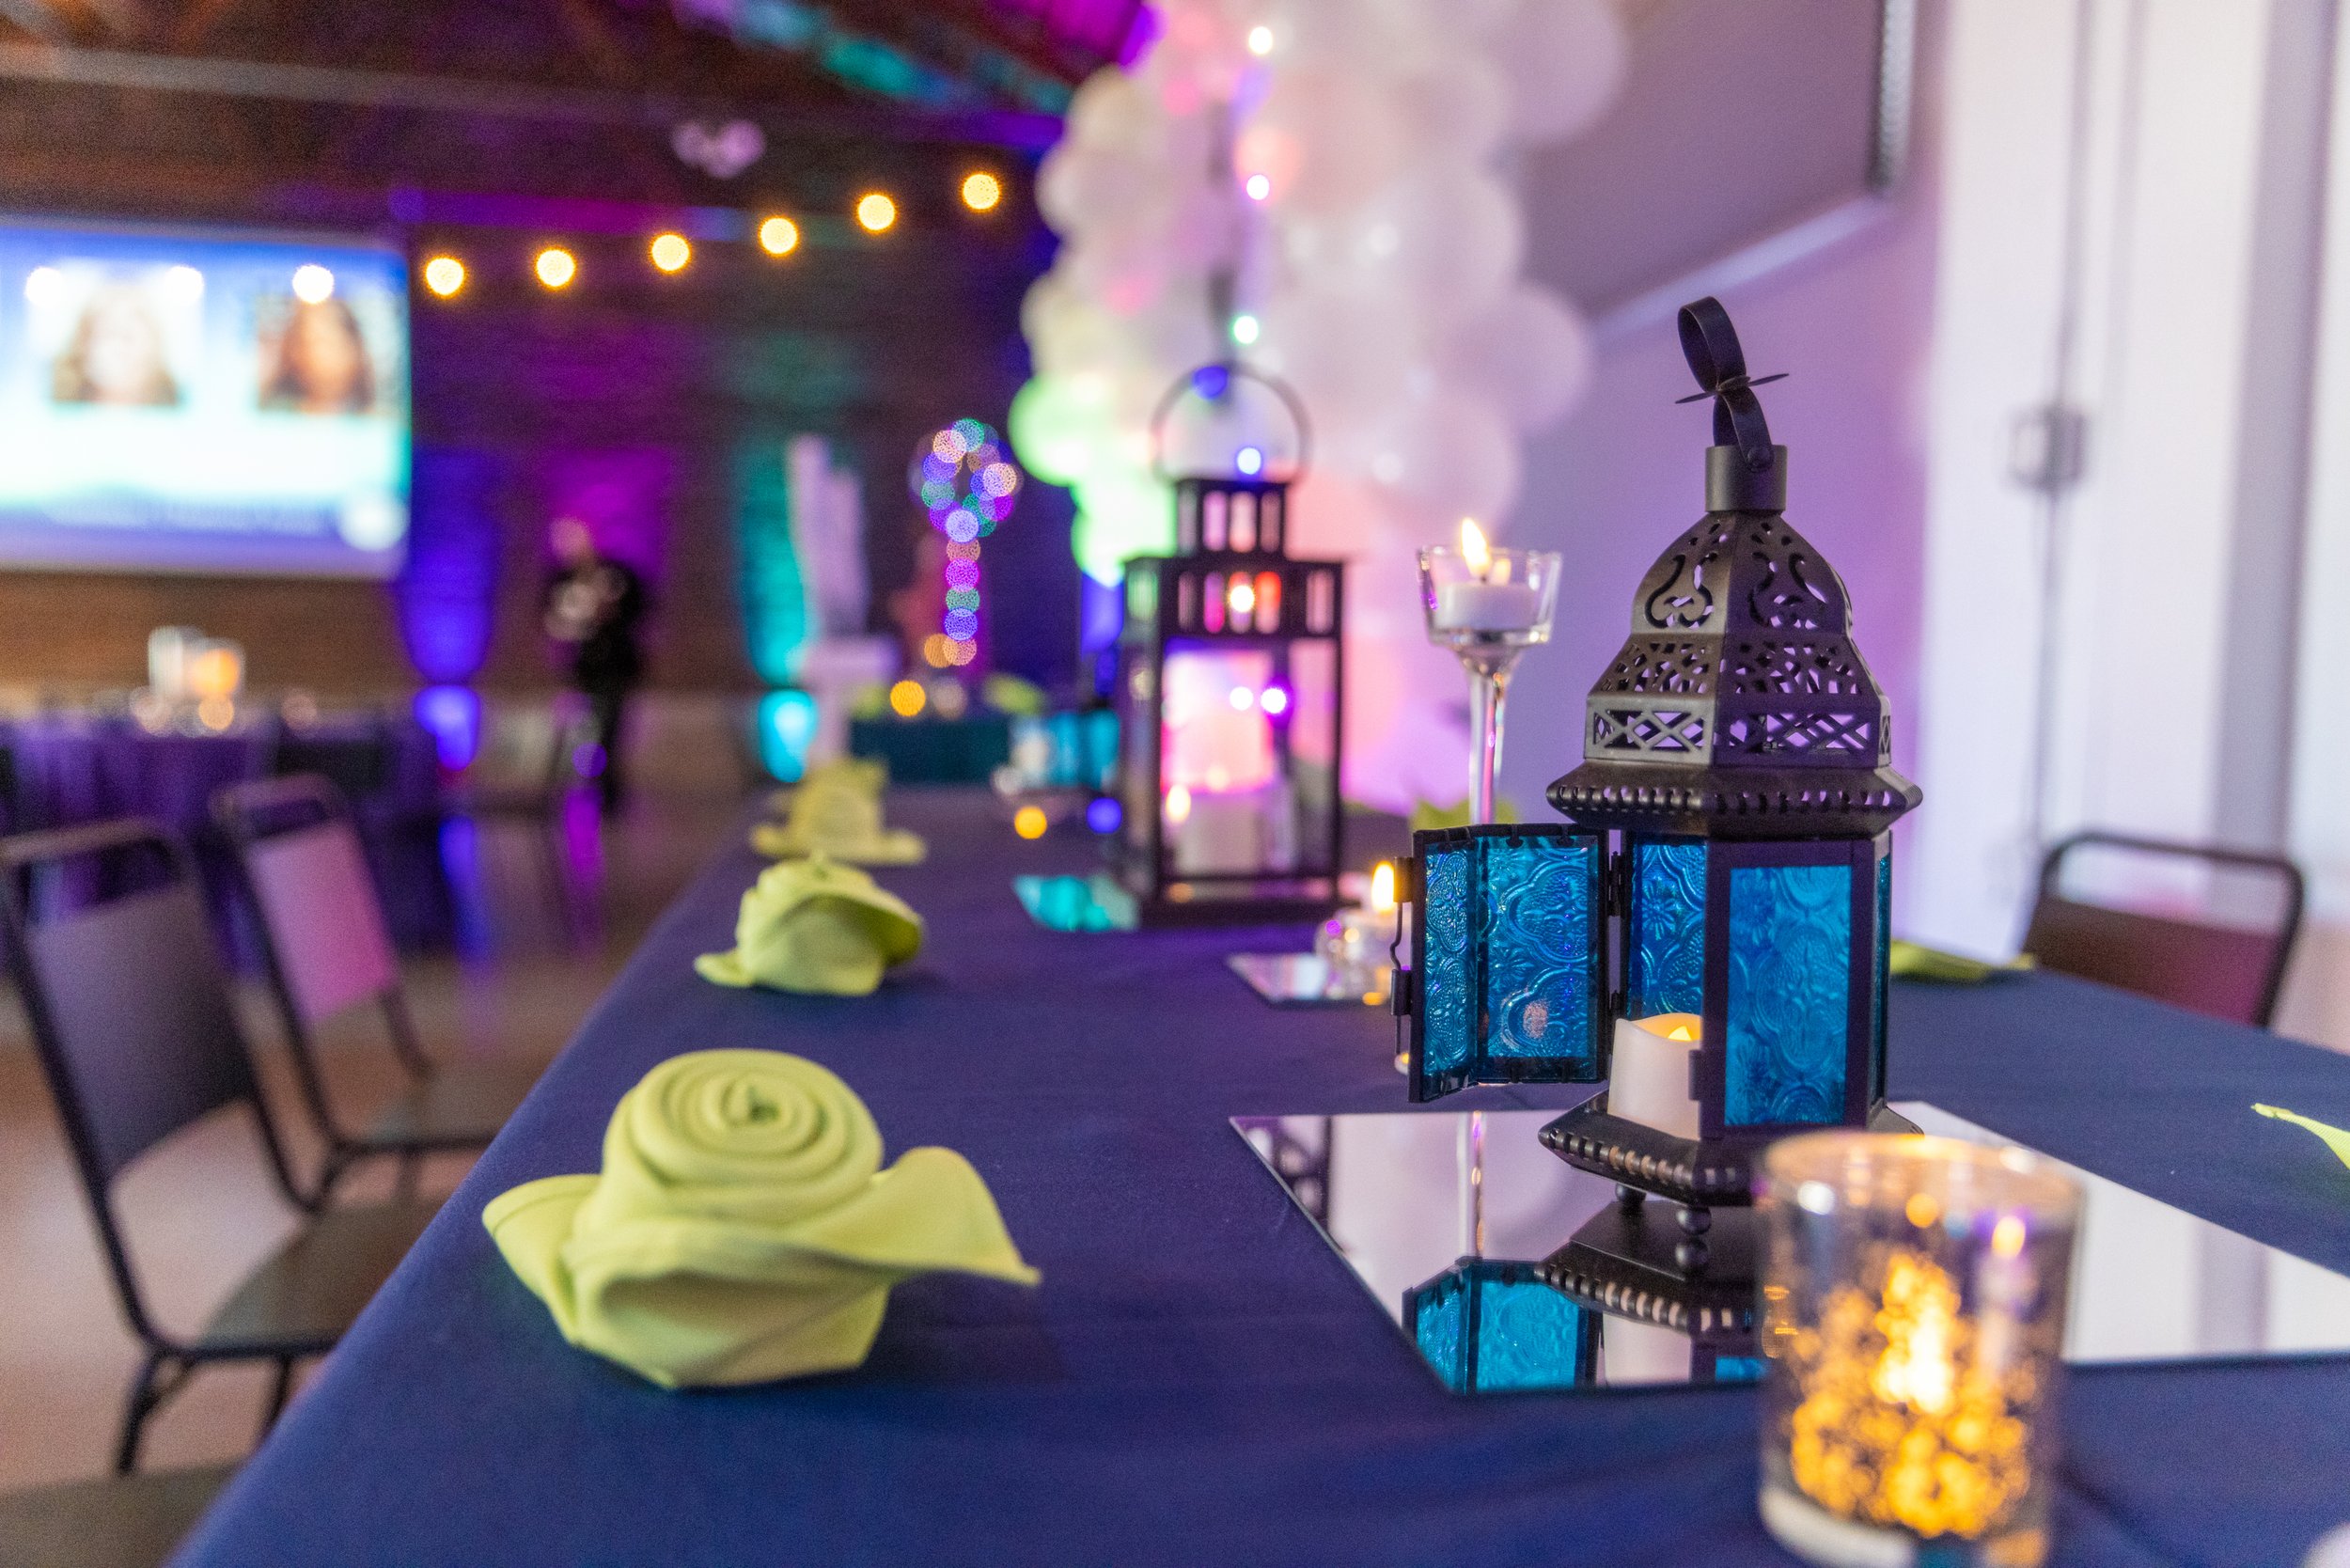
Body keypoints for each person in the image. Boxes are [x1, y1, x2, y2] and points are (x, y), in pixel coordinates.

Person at [541, 517, 649, 815]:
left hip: (614, 665)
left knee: (610, 729)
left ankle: (607, 793)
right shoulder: (561, 581)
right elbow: (552, 620)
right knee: (582, 729)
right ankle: (580, 786)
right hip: (581, 667)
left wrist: (610, 611)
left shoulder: (615, 574)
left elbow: (638, 609)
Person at [52, 284, 180, 406]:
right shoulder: (56, 400)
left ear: (152, 349)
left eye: (127, 338)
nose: (118, 350)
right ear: (83, 346)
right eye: (107, 336)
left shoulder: (178, 401)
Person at [258, 296, 375, 414]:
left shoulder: (375, 417)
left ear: (354, 348)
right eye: (305, 343)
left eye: (327, 343)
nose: (315, 356)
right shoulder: (273, 412)